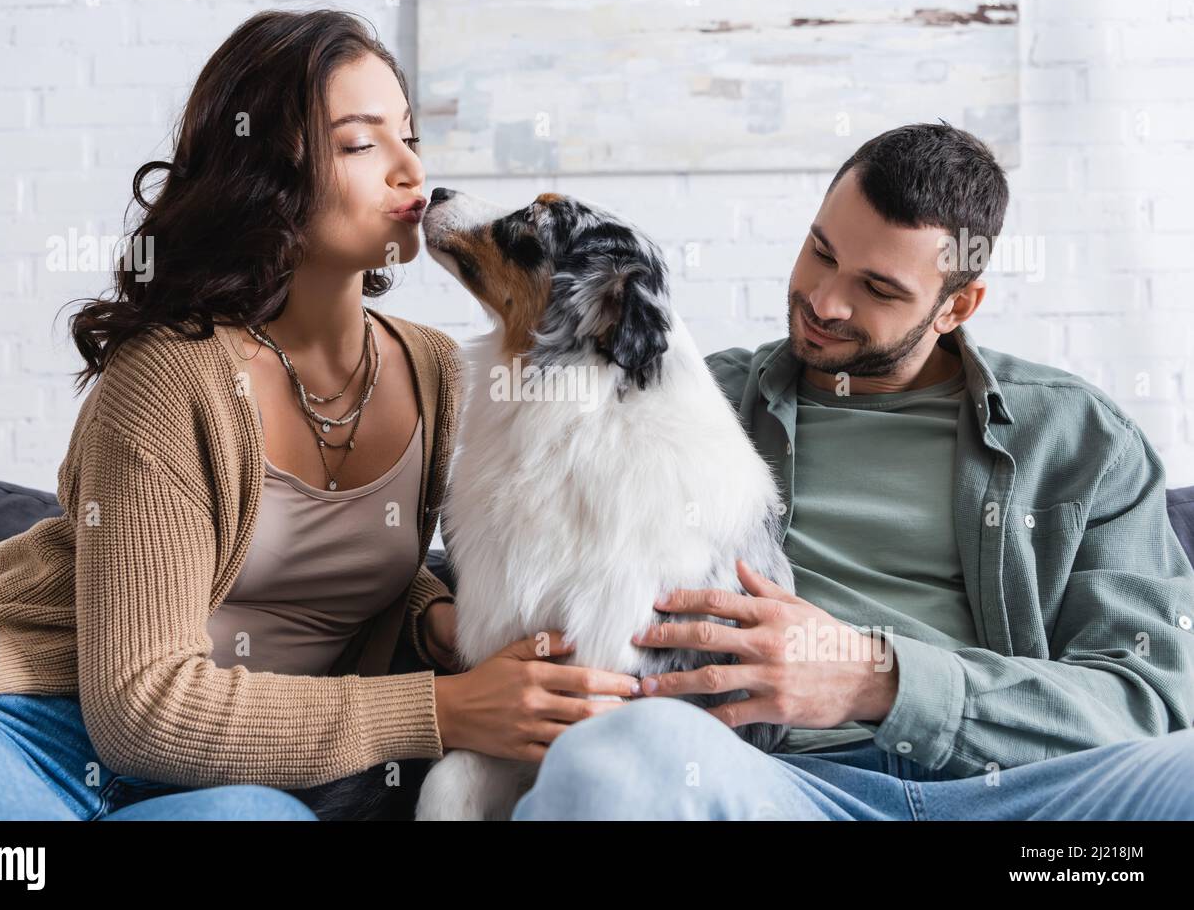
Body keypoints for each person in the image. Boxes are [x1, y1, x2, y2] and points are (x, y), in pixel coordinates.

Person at [0, 8, 637, 821]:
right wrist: (443, 709)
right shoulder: (170, 378)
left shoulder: (440, 372)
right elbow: (141, 706)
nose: (408, 171)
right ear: (266, 178)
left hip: (226, 781)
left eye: (409, 135)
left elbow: (355, 565)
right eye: (361, 143)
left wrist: (434, 617)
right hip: (24, 728)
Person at [511, 122, 1194, 820]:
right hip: (780, 786)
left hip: (1023, 794)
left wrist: (878, 680)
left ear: (956, 306)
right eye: (820, 251)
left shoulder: (1085, 442)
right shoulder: (696, 403)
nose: (825, 301)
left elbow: (1152, 700)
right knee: (611, 764)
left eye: (876, 287)